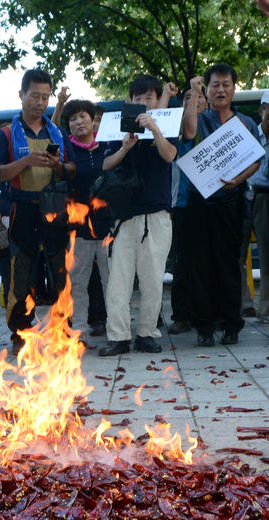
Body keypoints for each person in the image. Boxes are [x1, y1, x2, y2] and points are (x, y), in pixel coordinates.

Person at [0, 68, 76, 355]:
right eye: (34, 96)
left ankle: (63, 330)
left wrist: (58, 166)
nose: (40, 102)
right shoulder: (5, 133)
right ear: (22, 95)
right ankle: (20, 333)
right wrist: (27, 160)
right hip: (22, 207)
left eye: (45, 97)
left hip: (54, 207)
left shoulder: (57, 132)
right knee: (22, 273)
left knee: (60, 271)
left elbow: (70, 171)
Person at [182, 64, 261, 346]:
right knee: (200, 264)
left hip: (231, 201)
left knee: (229, 264)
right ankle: (204, 328)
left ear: (233, 88)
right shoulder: (201, 118)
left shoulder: (247, 123)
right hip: (199, 201)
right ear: (208, 88)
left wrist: (237, 180)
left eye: (226, 84)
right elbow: (189, 133)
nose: (220, 90)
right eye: (214, 85)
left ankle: (231, 325)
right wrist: (193, 93)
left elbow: (256, 160)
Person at [99, 75, 178, 357]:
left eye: (149, 98)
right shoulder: (117, 128)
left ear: (157, 101)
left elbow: (169, 155)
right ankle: (118, 336)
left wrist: (155, 129)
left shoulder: (166, 125)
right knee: (118, 278)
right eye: (138, 98)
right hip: (124, 217)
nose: (143, 103)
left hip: (156, 214)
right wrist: (124, 147)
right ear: (129, 101)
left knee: (153, 278)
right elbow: (106, 165)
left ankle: (147, 333)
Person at [63, 99, 109, 345]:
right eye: (72, 119)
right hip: (78, 227)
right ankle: (79, 331)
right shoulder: (66, 151)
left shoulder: (108, 147)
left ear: (93, 121)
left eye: (82, 116)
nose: (78, 122)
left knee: (112, 280)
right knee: (78, 282)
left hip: (108, 226)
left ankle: (117, 329)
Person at [168, 87, 207, 335]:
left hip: (211, 204)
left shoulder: (216, 125)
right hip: (182, 203)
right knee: (182, 262)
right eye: (189, 98)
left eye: (200, 96)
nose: (196, 101)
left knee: (205, 261)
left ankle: (204, 312)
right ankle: (181, 315)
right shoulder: (180, 128)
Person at [249, 90, 269, 322]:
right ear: (261, 110)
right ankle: (259, 308)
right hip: (254, 196)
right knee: (262, 256)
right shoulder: (250, 134)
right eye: (267, 108)